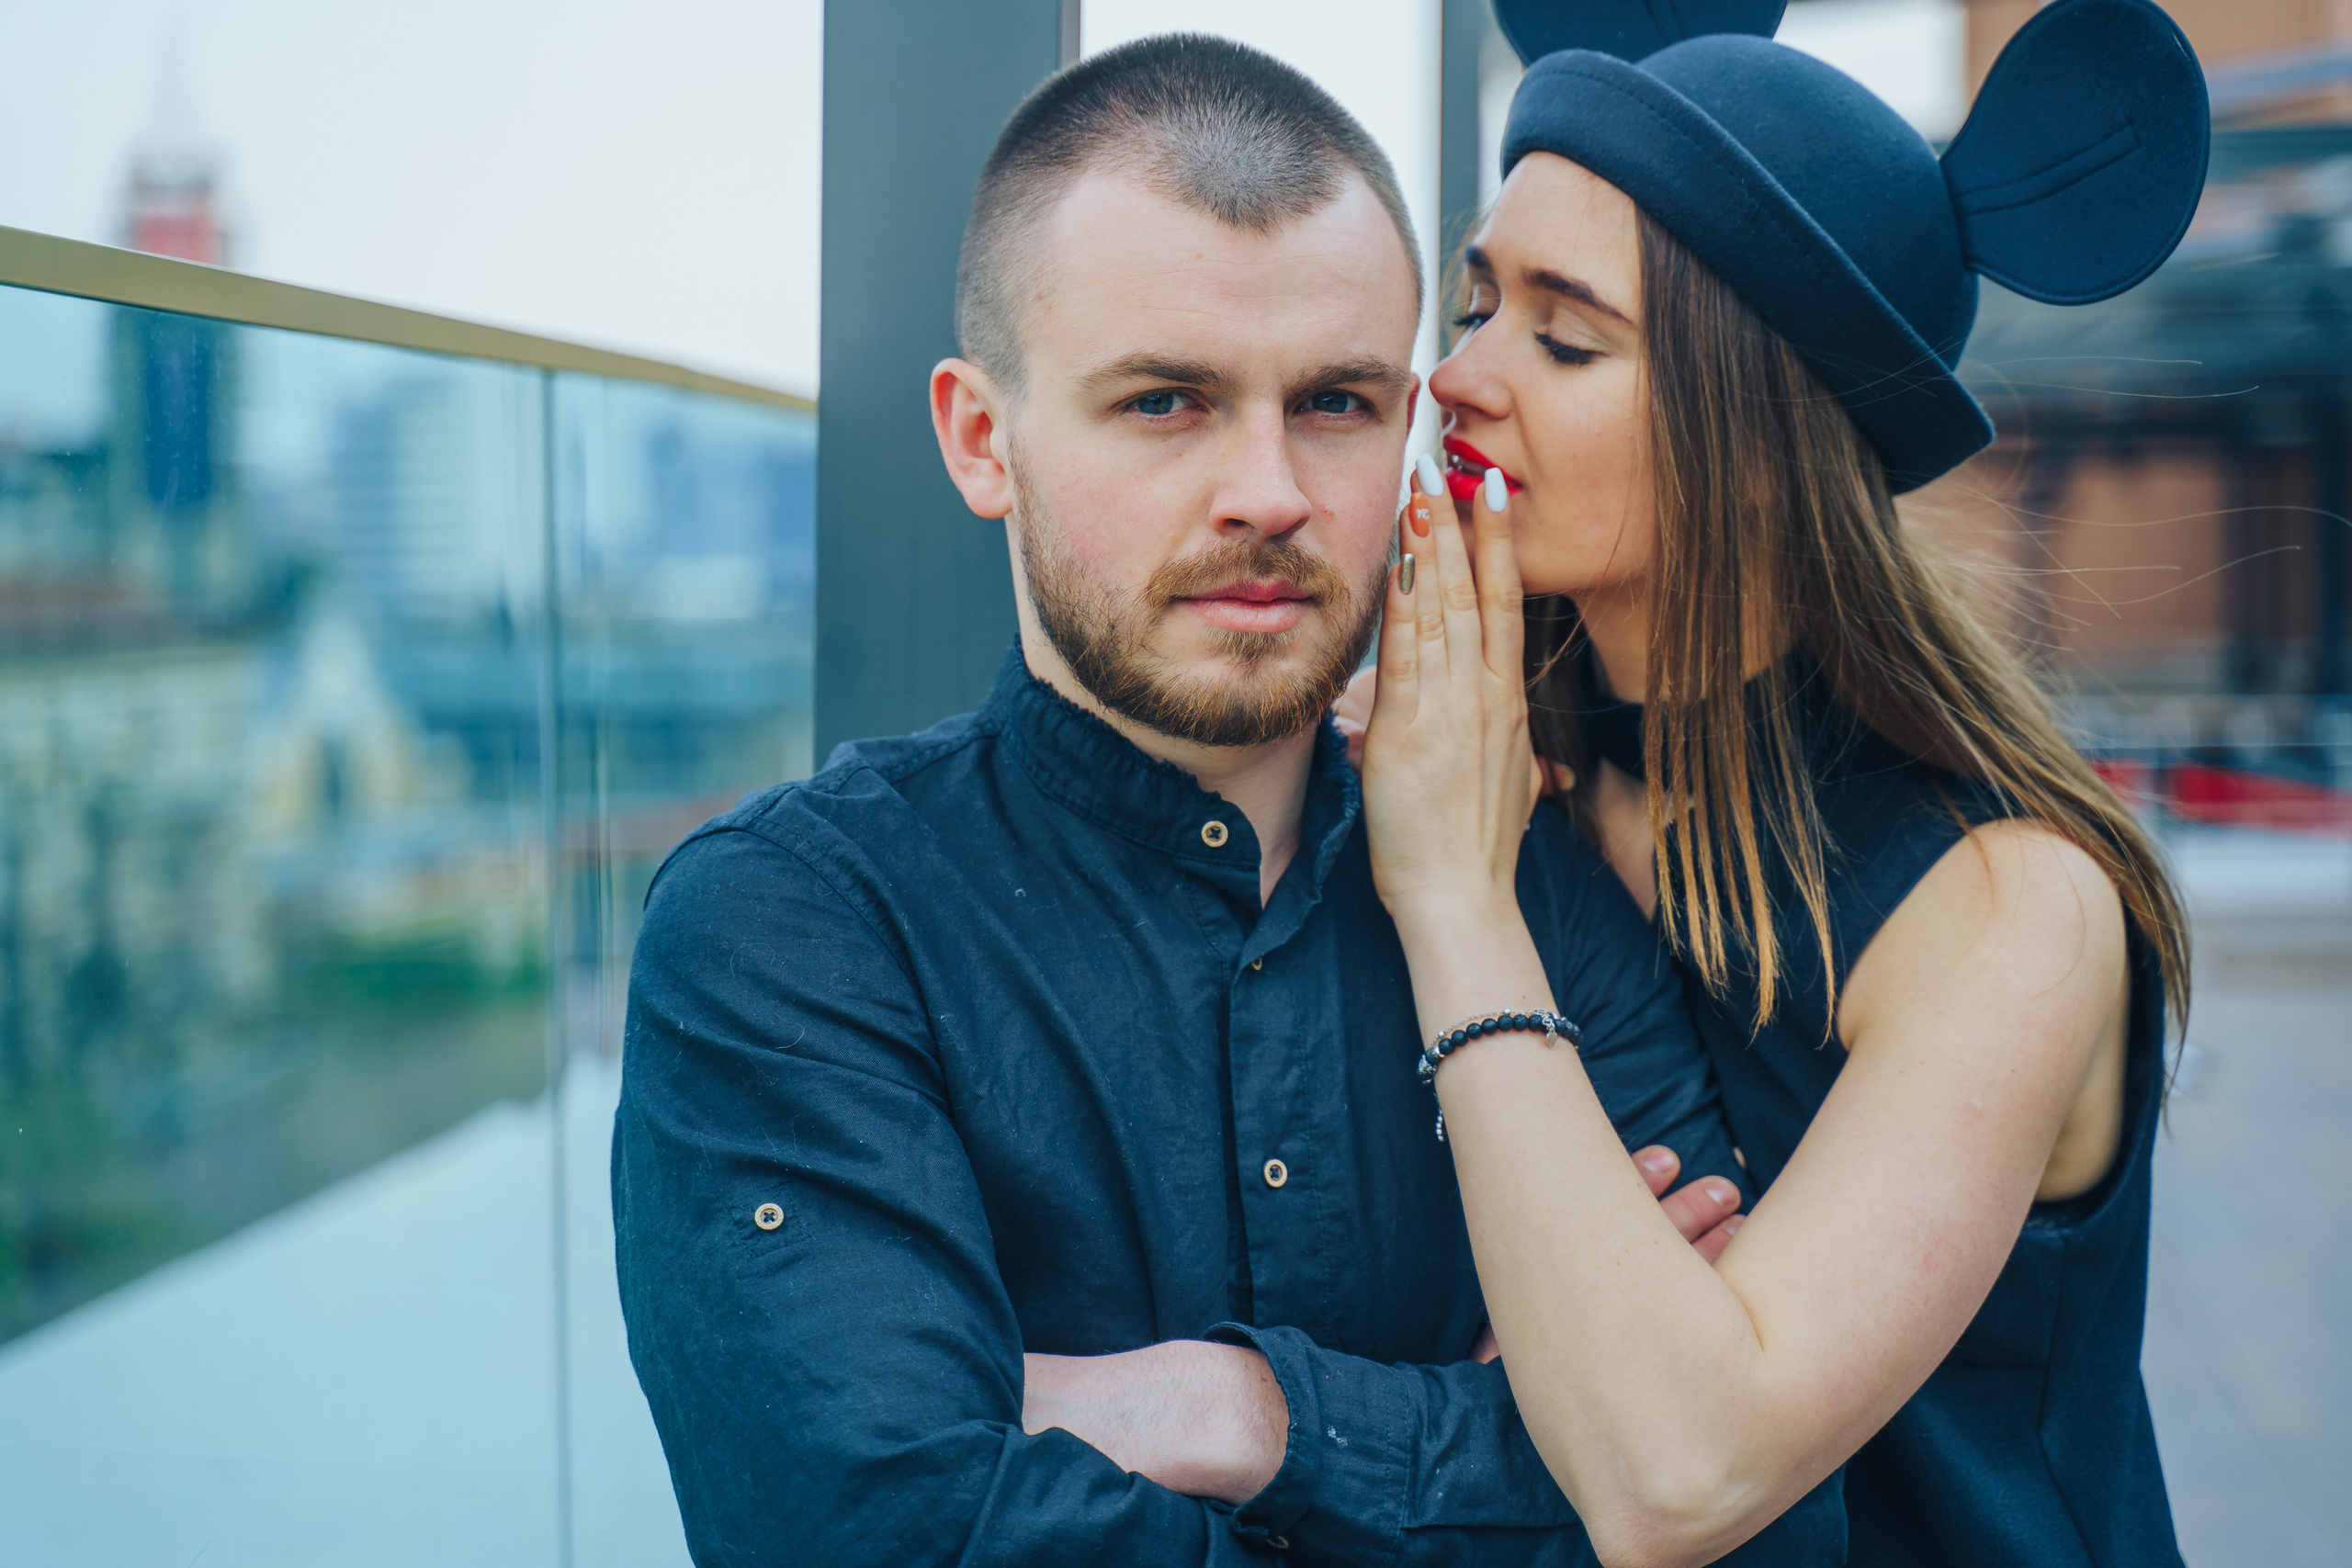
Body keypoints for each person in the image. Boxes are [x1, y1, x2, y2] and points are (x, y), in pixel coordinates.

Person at [611, 34, 1845, 1568]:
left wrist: (1229, 1415)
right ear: (981, 439)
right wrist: (1491, 1441)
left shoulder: (1524, 888)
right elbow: (880, 1528)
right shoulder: (794, 932)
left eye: (1332, 402)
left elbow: (1758, 1520)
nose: (1267, 490)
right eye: (1166, 403)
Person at [1350, 1, 2209, 1564]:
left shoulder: (2010, 908)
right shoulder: (1481, 759)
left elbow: (1677, 1470)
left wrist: (1456, 896)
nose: (1456, 380)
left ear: (1760, 436)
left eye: (1564, 333)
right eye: (1477, 304)